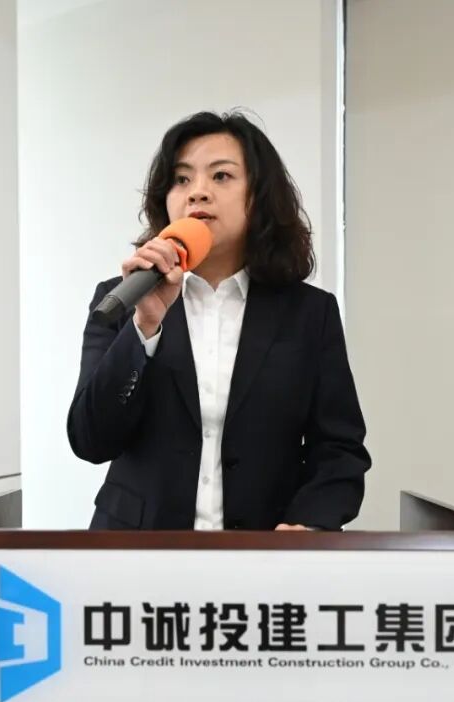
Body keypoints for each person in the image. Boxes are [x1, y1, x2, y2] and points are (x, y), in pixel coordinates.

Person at [66, 110, 371, 531]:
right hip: (137, 551)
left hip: (264, 553)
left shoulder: (308, 314)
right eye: (181, 179)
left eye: (221, 176)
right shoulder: (123, 299)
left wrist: (308, 524)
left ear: (258, 195)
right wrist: (144, 328)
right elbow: (90, 440)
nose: (198, 193)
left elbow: (339, 449)